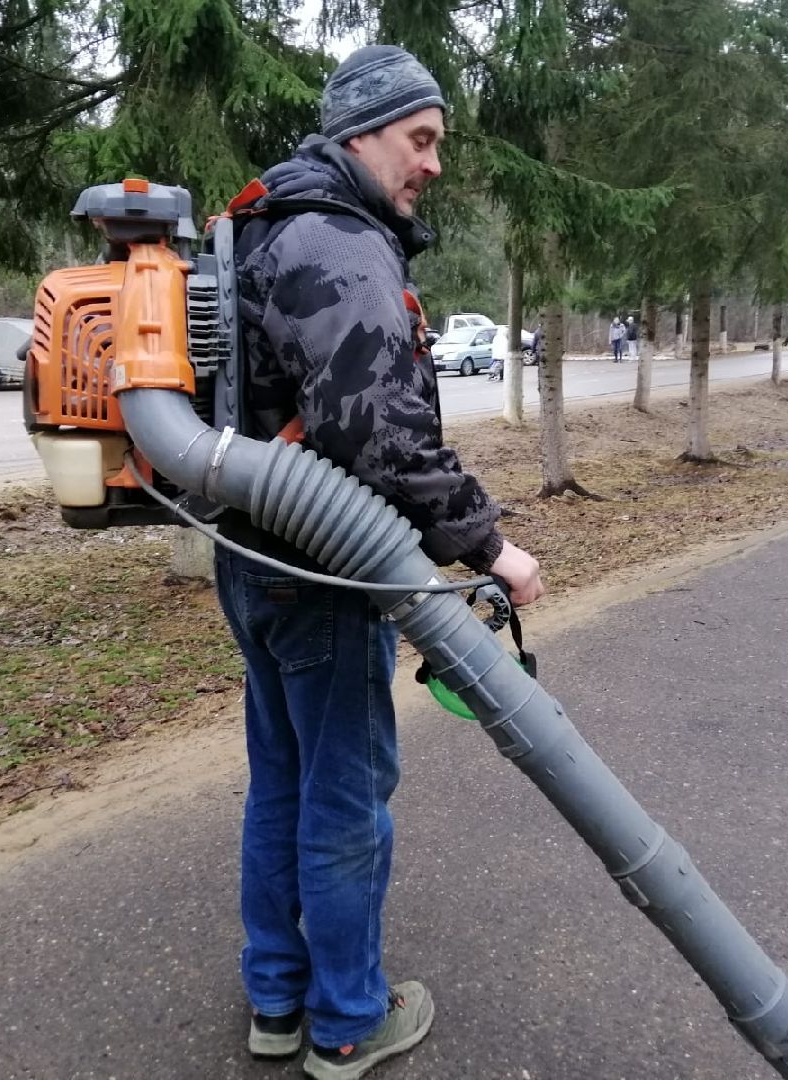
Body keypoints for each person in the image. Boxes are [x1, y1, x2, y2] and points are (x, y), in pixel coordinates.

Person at [216, 44, 546, 1080]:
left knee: (282, 783)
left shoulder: (268, 226)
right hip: (320, 571)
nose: (432, 164)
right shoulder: (336, 242)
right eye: (420, 139)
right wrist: (491, 547)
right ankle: (348, 1020)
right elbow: (379, 435)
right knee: (346, 799)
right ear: (362, 132)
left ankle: (276, 1001)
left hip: (251, 555)